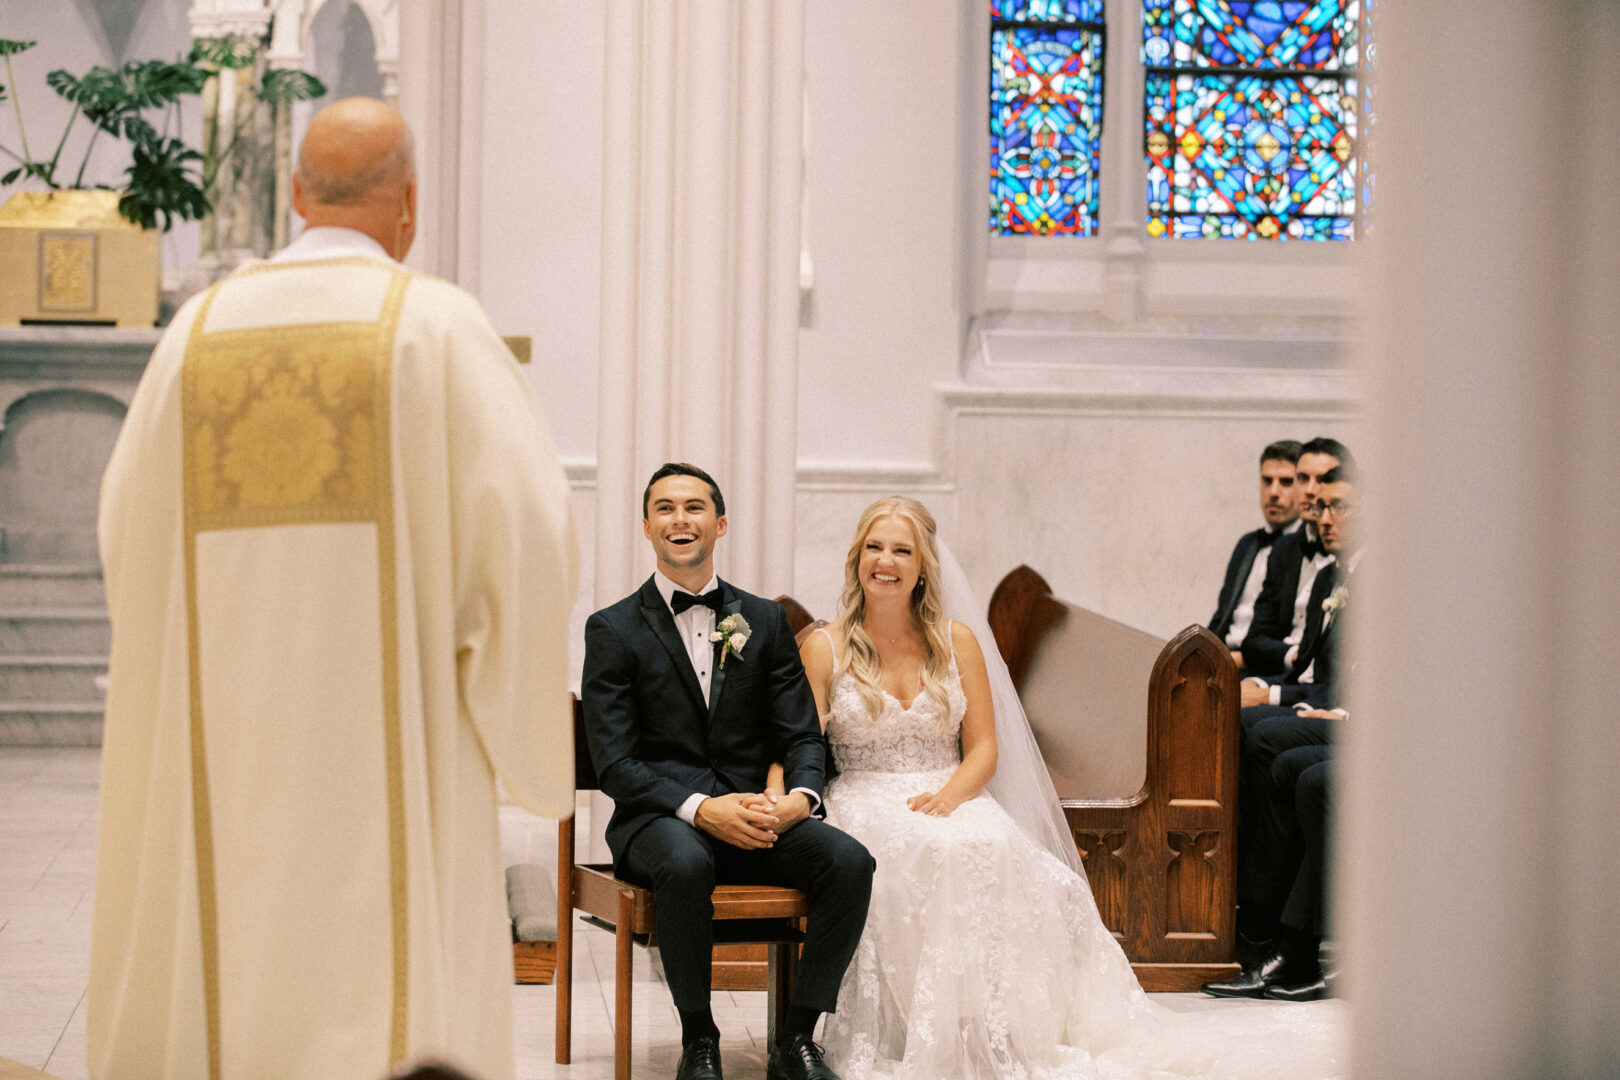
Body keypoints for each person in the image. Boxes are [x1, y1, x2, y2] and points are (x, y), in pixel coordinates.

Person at [88, 99, 579, 1080]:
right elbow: (526, 534)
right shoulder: (436, 329)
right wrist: (524, 731)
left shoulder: (195, 335)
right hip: (395, 753)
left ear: (297, 194)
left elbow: (122, 535)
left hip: (219, 753)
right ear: (409, 204)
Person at [797, 496, 1345, 1080]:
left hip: (947, 788)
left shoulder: (955, 641)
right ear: (857, 558)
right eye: (874, 548)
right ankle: (923, 1031)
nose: (886, 561)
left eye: (901, 549)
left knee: (998, 851)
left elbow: (983, 748)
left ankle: (996, 1029)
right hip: (867, 793)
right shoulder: (824, 645)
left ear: (924, 564)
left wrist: (953, 796)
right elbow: (802, 744)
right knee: (934, 853)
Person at [580, 462, 875, 1080]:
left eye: (693, 508)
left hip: (752, 817)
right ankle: (700, 1039)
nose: (679, 520)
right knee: (687, 864)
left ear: (720, 524)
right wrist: (697, 808)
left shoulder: (763, 621)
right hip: (659, 822)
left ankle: (796, 1039)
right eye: (664, 508)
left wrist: (799, 798)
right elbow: (614, 763)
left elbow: (801, 734)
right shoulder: (612, 629)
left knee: (849, 862)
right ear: (646, 527)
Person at [1207, 465, 1361, 1000]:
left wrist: (1288, 699)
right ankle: (1258, 918)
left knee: (1290, 757)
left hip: (1369, 723)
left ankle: (1286, 938)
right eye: (1322, 507)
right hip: (1337, 709)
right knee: (1280, 751)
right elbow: (1315, 670)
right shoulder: (1331, 578)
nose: (1325, 517)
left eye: (1339, 505)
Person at [1240, 438, 1351, 679]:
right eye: (1302, 478)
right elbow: (1254, 640)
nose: (1310, 490)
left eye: (1321, 479)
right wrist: (1293, 655)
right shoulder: (1283, 549)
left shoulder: (1349, 561)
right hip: (1282, 669)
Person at [1209, 440, 1303, 670]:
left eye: (1286, 482)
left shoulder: (1305, 548)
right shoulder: (1248, 543)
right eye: (1267, 480)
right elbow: (1223, 616)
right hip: (1223, 658)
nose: (1273, 492)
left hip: (1266, 667)